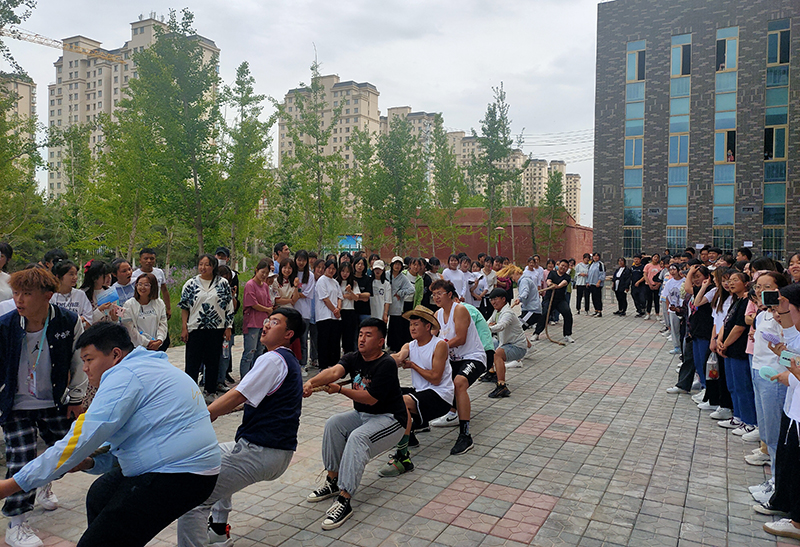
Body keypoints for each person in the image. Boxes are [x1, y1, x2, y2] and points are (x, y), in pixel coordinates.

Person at [0, 322, 220, 547]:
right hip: (186, 467)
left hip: (180, 472)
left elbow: (80, 439)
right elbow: (132, 442)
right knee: (101, 494)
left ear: (115, 355)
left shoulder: (125, 375)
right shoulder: (147, 366)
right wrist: (90, 463)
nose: (85, 368)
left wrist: (11, 485)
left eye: (89, 359)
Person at [177, 308, 304, 547]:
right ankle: (218, 529)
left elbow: (238, 394)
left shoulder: (273, 359)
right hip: (274, 452)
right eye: (267, 320)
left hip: (261, 451)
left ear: (289, 334)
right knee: (211, 459)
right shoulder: (288, 361)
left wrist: (204, 415)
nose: (266, 325)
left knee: (192, 498)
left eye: (275, 322)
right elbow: (245, 398)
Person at [0, 267, 87, 547]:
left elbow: (79, 361)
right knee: (20, 460)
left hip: (54, 401)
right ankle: (16, 524)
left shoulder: (68, 321)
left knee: (67, 455)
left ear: (48, 295)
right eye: (16, 293)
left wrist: (77, 398)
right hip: (15, 405)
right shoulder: (5, 325)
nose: (19, 299)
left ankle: (43, 482)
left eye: (27, 293)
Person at [302, 318, 406, 530]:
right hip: (363, 415)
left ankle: (345, 499)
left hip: (390, 419)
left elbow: (370, 399)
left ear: (380, 341)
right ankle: (333, 480)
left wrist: (340, 390)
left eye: (368, 335)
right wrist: (310, 382)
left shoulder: (386, 364)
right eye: (360, 334)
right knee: (334, 424)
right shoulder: (353, 357)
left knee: (358, 439)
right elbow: (333, 372)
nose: (362, 339)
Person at [380, 306, 453, 477]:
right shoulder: (410, 345)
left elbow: (435, 378)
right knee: (385, 395)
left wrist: (413, 365)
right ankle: (409, 435)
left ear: (427, 327)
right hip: (421, 392)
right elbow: (398, 357)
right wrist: (379, 361)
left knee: (403, 401)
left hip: (441, 395)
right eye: (410, 324)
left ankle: (403, 457)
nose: (412, 328)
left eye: (416, 324)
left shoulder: (439, 345)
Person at [428, 279, 487, 455]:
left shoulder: (459, 309)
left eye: (439, 293)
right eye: (433, 294)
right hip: (453, 360)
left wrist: (440, 347)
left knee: (459, 382)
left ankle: (465, 435)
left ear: (449, 294)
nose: (436, 297)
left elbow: (460, 338)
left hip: (473, 357)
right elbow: (430, 338)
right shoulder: (438, 314)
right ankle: (424, 420)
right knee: (431, 377)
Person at [178, 254, 234, 403]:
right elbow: (184, 307)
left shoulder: (222, 283)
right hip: (195, 327)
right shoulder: (190, 284)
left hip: (216, 328)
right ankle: (190, 393)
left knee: (213, 361)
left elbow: (229, 306)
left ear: (213, 266)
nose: (203, 267)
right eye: (201, 264)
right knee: (192, 362)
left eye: (207, 264)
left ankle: (210, 391)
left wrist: (228, 327)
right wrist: (184, 327)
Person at [486, 288, 527, 398]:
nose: (493, 302)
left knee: (497, 354)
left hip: (517, 346)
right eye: (491, 300)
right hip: (504, 343)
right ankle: (492, 373)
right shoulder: (497, 311)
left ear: (503, 299)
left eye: (495, 299)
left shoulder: (508, 313)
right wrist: (486, 327)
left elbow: (501, 326)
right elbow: (488, 322)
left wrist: (488, 328)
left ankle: (501, 386)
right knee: (487, 345)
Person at [240, 259, 274, 378]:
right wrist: (267, 309)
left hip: (263, 322)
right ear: (256, 270)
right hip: (252, 323)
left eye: (266, 273)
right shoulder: (250, 285)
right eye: (262, 272)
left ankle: (256, 377)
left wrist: (269, 309)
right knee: (250, 352)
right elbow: (253, 304)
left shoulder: (265, 286)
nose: (264, 275)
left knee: (260, 352)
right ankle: (245, 378)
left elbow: (269, 301)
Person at [121, 273, 168, 351]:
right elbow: (130, 329)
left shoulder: (159, 303)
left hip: (156, 346)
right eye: (139, 284)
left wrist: (159, 340)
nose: (142, 287)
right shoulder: (128, 305)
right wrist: (147, 342)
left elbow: (162, 324)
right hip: (137, 348)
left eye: (146, 285)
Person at [533, 259, 575, 344]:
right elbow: (548, 281)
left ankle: (567, 334)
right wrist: (550, 284)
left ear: (567, 268)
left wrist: (557, 286)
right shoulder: (552, 273)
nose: (563, 267)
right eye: (562, 265)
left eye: (565, 266)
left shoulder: (567, 277)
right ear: (558, 265)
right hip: (549, 299)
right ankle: (536, 333)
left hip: (560, 300)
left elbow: (564, 283)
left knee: (567, 314)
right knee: (544, 314)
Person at [315, 259, 343, 369]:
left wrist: (338, 308)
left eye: (333, 268)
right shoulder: (321, 280)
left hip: (335, 317)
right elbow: (325, 298)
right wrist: (334, 310)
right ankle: (323, 366)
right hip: (324, 315)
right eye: (329, 268)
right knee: (324, 341)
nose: (331, 271)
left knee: (334, 341)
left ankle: (334, 365)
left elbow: (340, 297)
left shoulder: (335, 282)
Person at [131, 248, 172, 321]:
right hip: (140, 308)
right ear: (140, 260)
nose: (149, 261)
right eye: (146, 258)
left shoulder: (159, 272)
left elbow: (164, 290)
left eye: (152, 258)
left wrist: (168, 308)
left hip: (156, 306)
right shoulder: (134, 275)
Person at [50, 260, 93, 327]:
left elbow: (89, 319)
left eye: (76, 274)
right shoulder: (51, 296)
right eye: (71, 274)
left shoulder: (80, 294)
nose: (75, 277)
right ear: (59, 277)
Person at [387, 257, 415, 352]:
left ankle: (395, 347)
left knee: (395, 326)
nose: (397, 266)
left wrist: (400, 293)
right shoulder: (386, 274)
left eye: (399, 264)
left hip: (396, 304)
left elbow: (412, 289)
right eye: (395, 264)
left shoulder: (403, 278)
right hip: (384, 303)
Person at [294, 250, 315, 370]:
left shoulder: (310, 276)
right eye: (299, 260)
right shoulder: (292, 273)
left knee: (303, 340)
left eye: (303, 260)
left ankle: (302, 364)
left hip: (304, 312)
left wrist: (296, 292)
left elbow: (306, 294)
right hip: (292, 310)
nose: (301, 262)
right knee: (293, 340)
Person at [80, 260, 119, 324]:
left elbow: (113, 320)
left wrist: (114, 318)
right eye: (105, 275)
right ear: (95, 278)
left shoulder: (110, 292)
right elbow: (84, 321)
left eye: (109, 274)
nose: (109, 277)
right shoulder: (82, 294)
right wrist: (99, 310)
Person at [339, 262, 361, 355]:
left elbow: (356, 298)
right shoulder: (336, 282)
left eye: (347, 272)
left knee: (349, 337)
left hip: (350, 311)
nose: (345, 274)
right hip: (339, 311)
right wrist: (345, 296)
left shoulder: (353, 283)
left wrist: (350, 292)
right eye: (343, 271)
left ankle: (348, 356)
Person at [643, 253, 663, 320]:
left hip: (657, 285)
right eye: (655, 257)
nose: (656, 258)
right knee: (649, 300)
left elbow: (662, 276)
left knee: (656, 300)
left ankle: (657, 314)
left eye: (657, 257)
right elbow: (645, 275)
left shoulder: (660, 266)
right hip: (648, 285)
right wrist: (649, 284)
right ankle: (648, 313)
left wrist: (658, 284)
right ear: (652, 258)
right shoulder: (647, 265)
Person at [587, 253, 605, 317]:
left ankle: (599, 311)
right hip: (591, 283)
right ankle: (596, 310)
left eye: (597, 256)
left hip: (597, 284)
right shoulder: (591, 264)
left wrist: (599, 282)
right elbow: (589, 274)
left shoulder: (600, 264)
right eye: (594, 256)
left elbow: (602, 274)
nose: (595, 257)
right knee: (593, 298)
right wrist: (588, 282)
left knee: (598, 298)